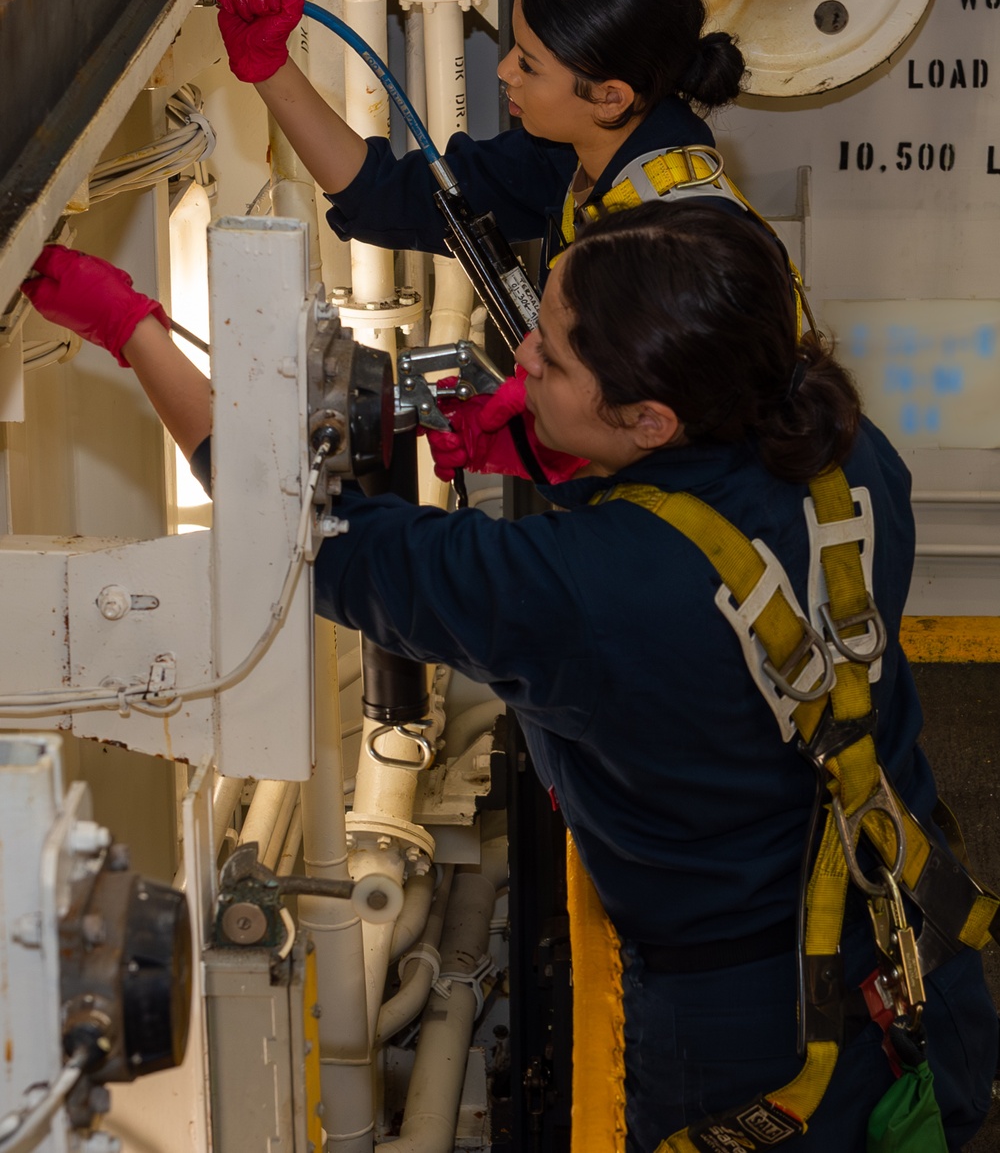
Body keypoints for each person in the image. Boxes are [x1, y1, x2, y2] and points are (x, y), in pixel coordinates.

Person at [22, 204, 999, 1152]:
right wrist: (549, 436)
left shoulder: (580, 592)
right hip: (905, 930)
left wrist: (132, 328)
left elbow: (302, 538)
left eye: (554, 356)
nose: (522, 356)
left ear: (652, 418)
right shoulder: (848, 452)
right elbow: (720, 529)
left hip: (742, 1025)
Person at [212, 0, 747, 484]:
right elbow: (388, 197)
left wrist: (550, 440)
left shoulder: (675, 246)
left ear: (610, 96)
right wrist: (269, 67)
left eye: (530, 66)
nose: (505, 70)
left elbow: (675, 438)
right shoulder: (578, 152)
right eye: (515, 48)